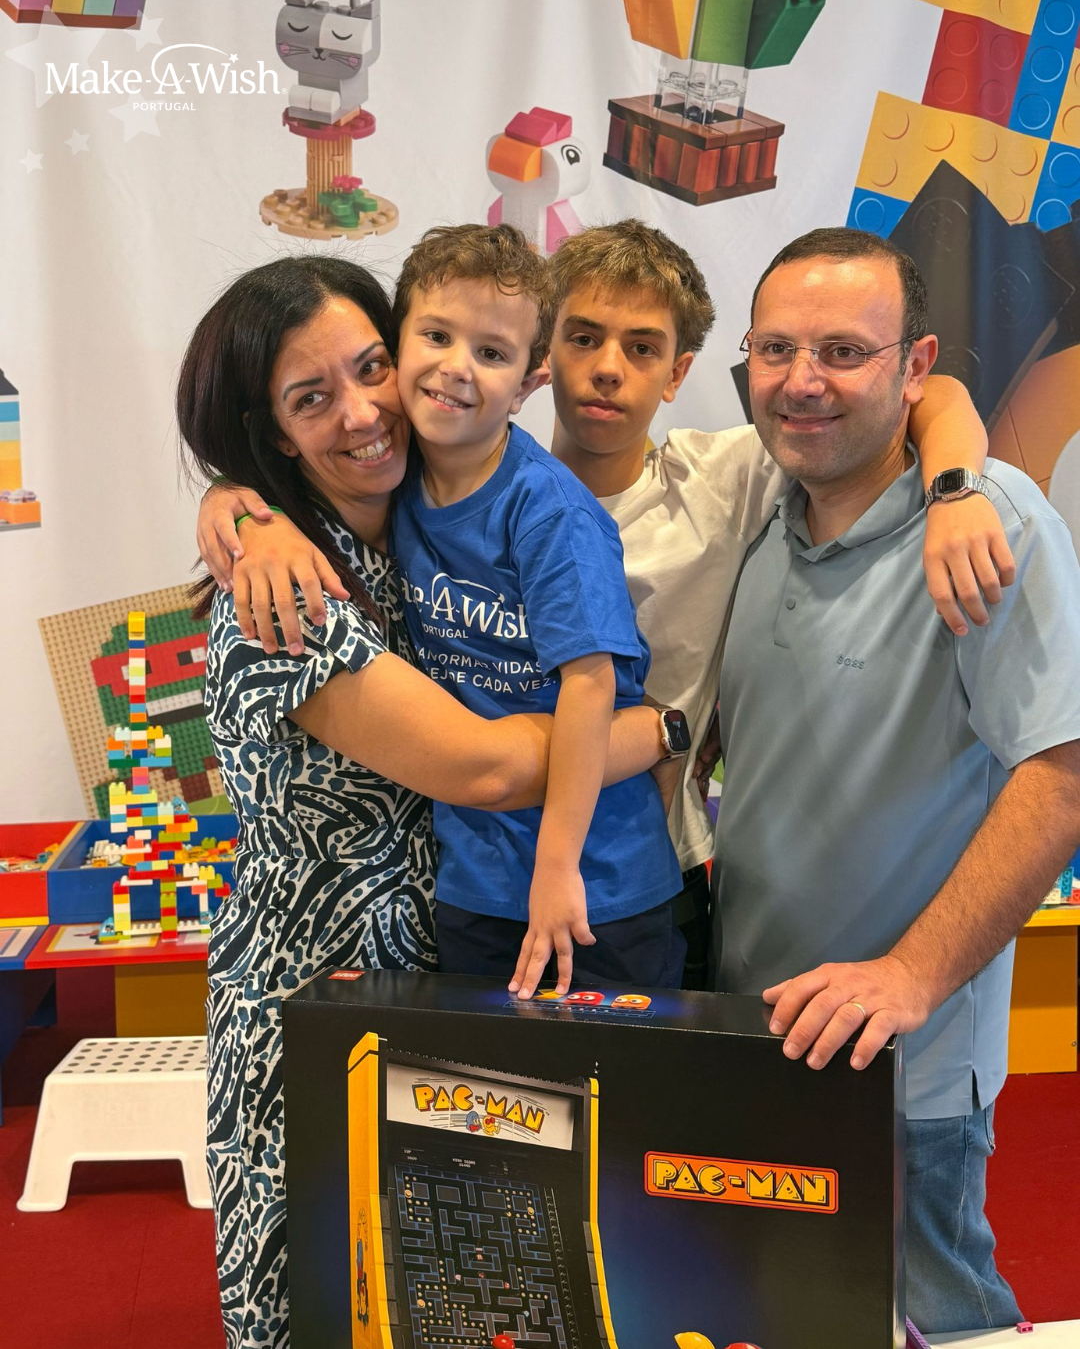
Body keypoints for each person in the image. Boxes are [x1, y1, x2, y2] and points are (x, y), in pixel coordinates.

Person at [199, 221, 1014, 991]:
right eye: (584, 337)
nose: (609, 368)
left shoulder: (721, 479)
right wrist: (242, 510)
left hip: (634, 874)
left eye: (643, 347)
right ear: (545, 357)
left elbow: (926, 392)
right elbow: (309, 445)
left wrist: (954, 489)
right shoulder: (426, 477)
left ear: (677, 373)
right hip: (470, 886)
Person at [176, 254, 676, 1349]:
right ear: (273, 434)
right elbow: (483, 766)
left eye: (369, 369)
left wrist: (240, 503)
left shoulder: (405, 526)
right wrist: (658, 731)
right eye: (312, 399)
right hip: (323, 996)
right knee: (332, 1295)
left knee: (463, 1290)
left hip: (442, 956)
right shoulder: (288, 598)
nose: (364, 412)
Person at [712, 226, 1080, 1332]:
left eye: (842, 351)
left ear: (915, 367)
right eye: (777, 349)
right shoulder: (762, 516)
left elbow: (1061, 775)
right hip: (756, 1040)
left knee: (934, 1320)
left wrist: (913, 975)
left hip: (904, 1074)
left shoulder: (989, 522)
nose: (802, 381)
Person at [389, 223, 683, 1001]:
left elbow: (590, 683)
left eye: (491, 352)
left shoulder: (549, 509)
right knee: (483, 1079)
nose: (457, 366)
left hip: (597, 887)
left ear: (528, 382)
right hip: (475, 880)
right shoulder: (392, 477)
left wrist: (556, 869)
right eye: (437, 335)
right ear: (396, 344)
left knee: (606, 1080)